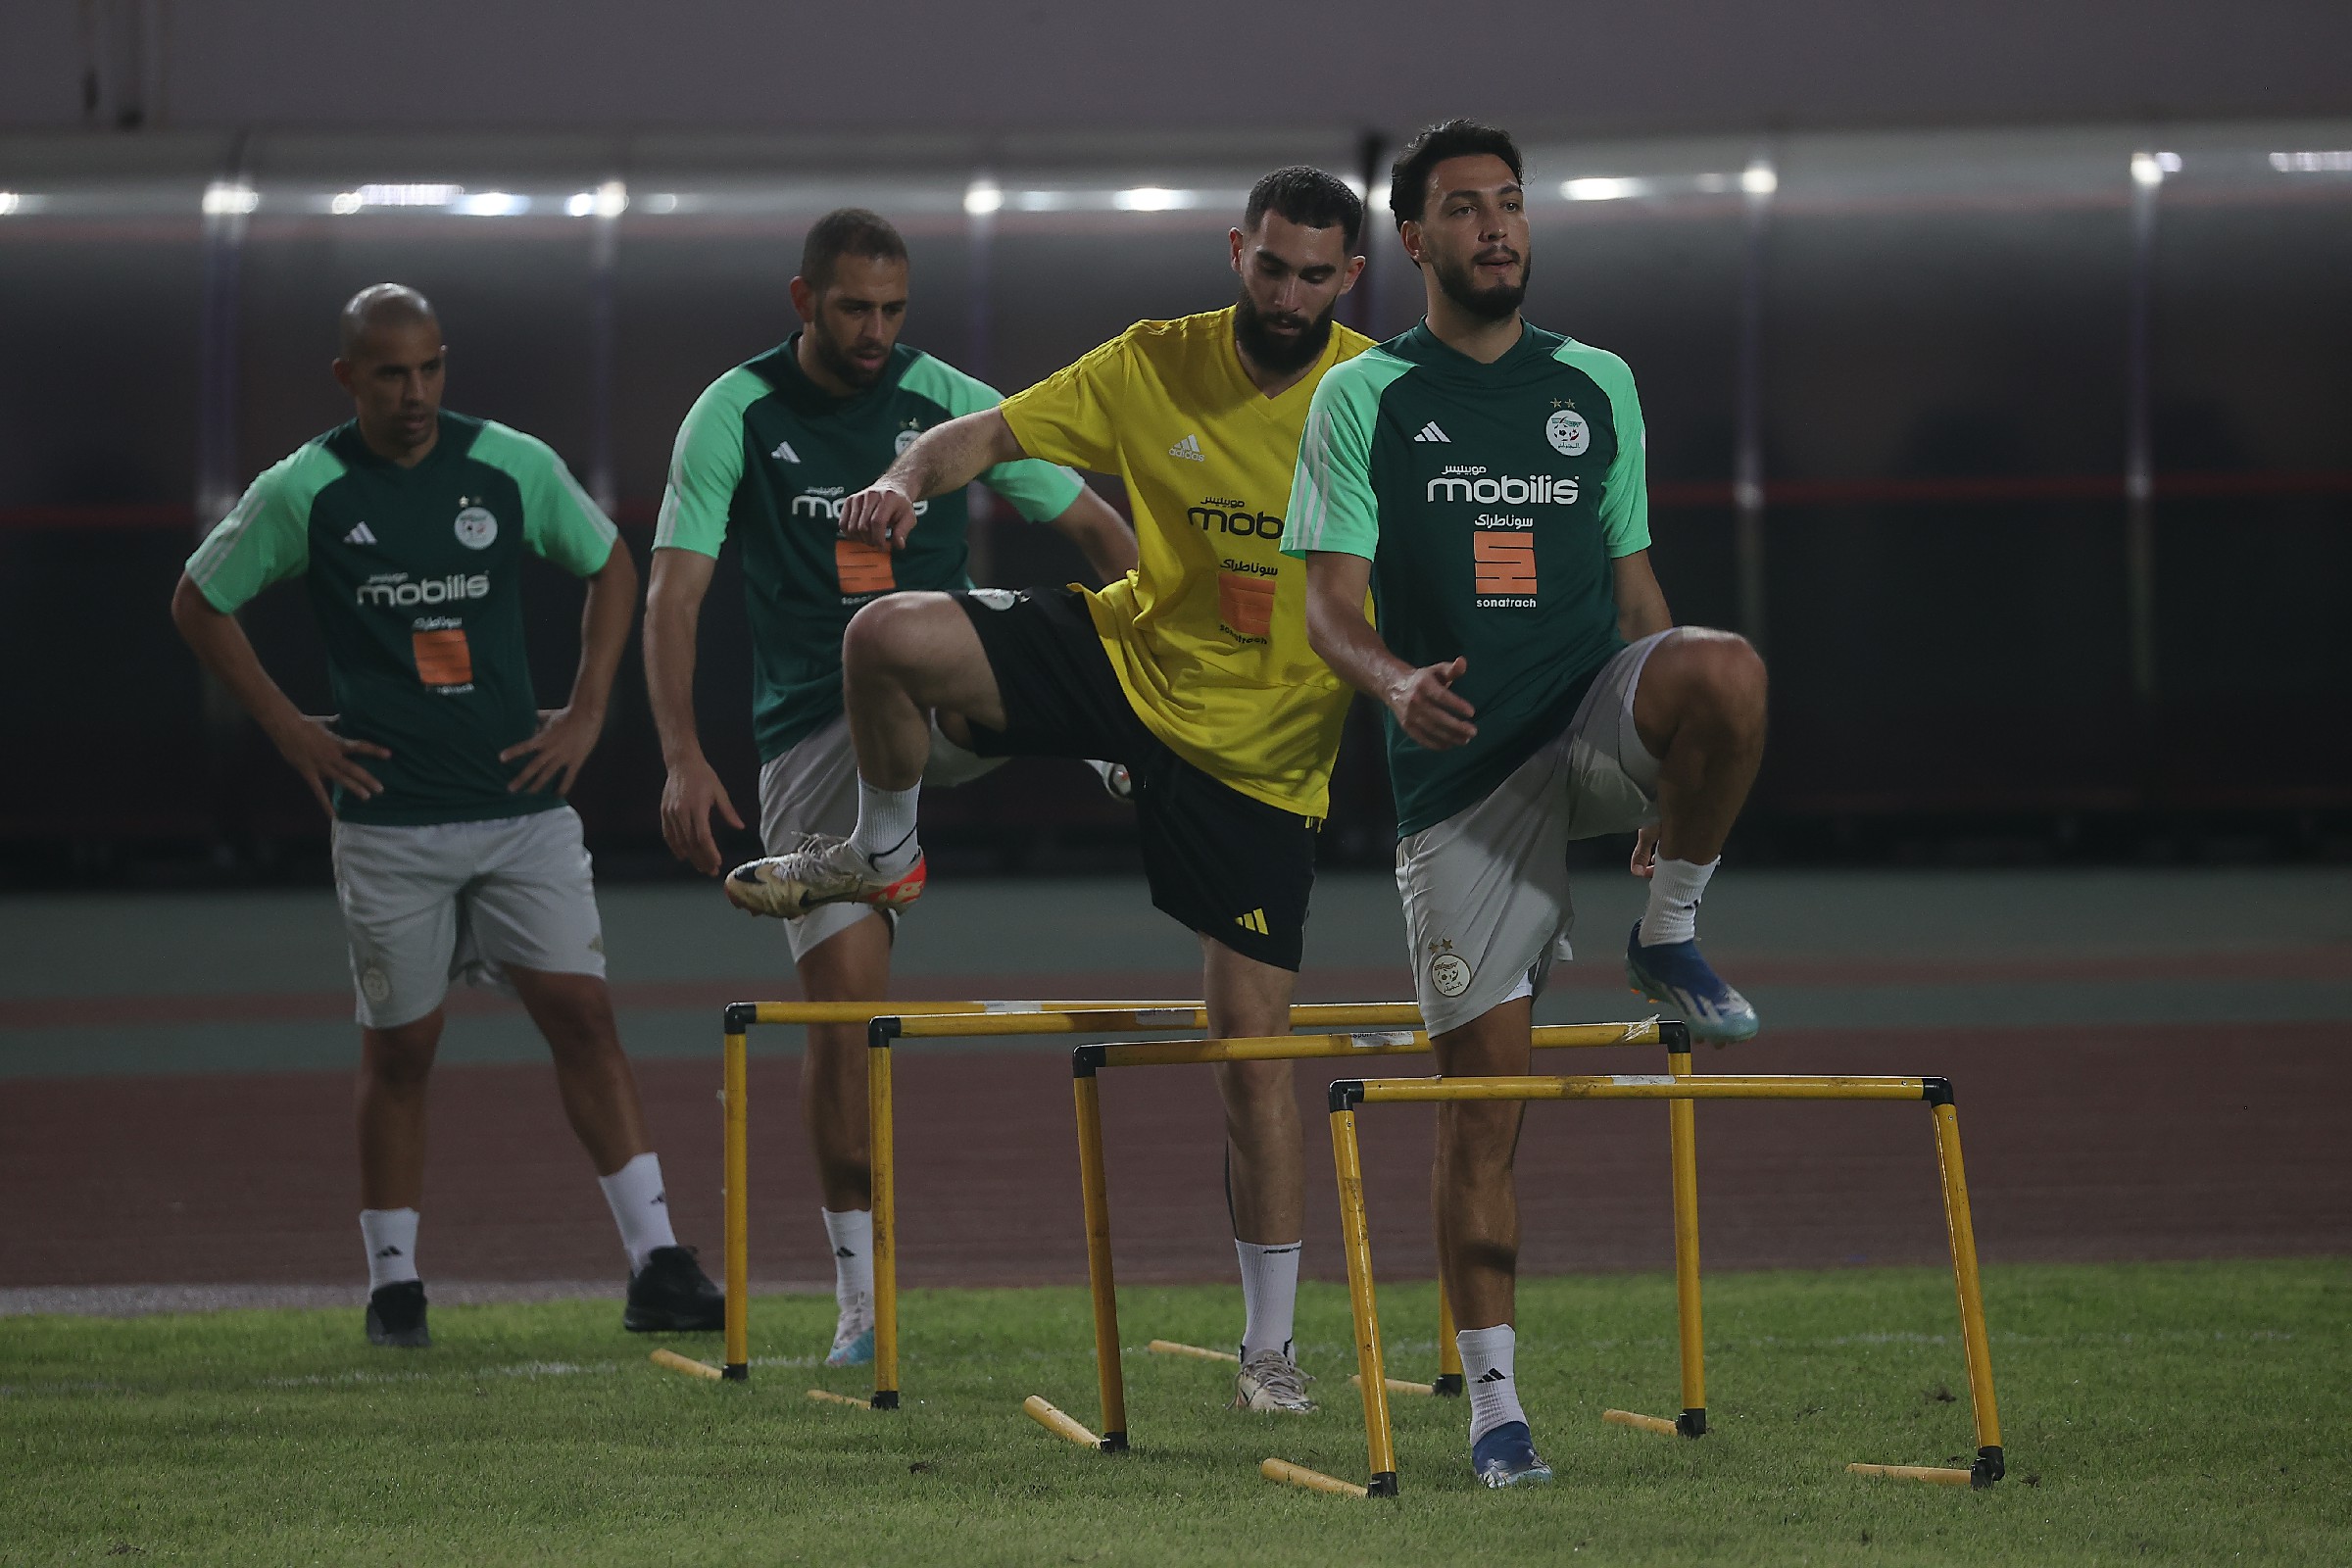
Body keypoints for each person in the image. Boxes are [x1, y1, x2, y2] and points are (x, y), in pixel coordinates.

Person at [725, 168, 1374, 1413]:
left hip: (1260, 755)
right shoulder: (1154, 359)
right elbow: (981, 435)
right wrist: (906, 481)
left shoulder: (1377, 396)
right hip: (1129, 658)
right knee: (886, 636)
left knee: (1252, 1060)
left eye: (1314, 276)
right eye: (1270, 266)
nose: (1288, 295)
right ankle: (884, 852)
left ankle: (1270, 1350)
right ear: (1236, 251)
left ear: (1348, 277)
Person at [1286, 122, 1769, 1485]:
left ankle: (1669, 929)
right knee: (1485, 1106)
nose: (1496, 226)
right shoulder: (1365, 397)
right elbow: (1328, 609)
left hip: (1588, 717)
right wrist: (1393, 682)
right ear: (1415, 240)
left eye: (1510, 202)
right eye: (1464, 208)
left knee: (1727, 671)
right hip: (1461, 776)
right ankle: (1497, 1407)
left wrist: (1670, 756)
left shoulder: (1597, 382)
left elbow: (1637, 595)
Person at [171, 284, 724, 1348]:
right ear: (349, 378)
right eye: (391, 373)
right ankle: (395, 1286)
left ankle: (657, 1261)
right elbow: (198, 599)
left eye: (429, 367)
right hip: (389, 821)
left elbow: (611, 563)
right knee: (403, 1050)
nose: (415, 391)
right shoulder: (307, 488)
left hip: (521, 807)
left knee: (584, 1018)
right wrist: (290, 731)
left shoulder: (508, 464)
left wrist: (590, 711)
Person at [644, 209, 1135, 1368]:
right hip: (816, 725)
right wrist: (681, 754)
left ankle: (1118, 738)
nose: (875, 330)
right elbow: (673, 596)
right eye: (853, 308)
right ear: (803, 300)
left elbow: (1100, 529)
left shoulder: (950, 400)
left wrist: (1168, 676)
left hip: (943, 687)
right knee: (842, 1020)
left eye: (893, 309)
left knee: (959, 629)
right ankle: (860, 1302)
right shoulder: (734, 411)